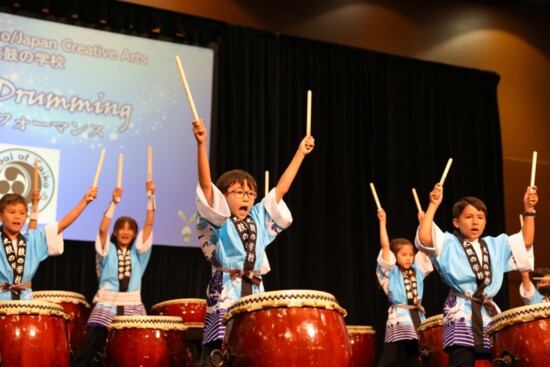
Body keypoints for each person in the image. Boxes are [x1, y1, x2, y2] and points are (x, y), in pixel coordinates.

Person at [192, 118, 315, 367]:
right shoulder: (220, 219)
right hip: (227, 288)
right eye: (239, 191)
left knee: (253, 350)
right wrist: (201, 144)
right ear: (224, 197)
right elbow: (206, 186)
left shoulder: (258, 217)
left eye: (250, 192)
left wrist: (300, 154)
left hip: (255, 290)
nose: (246, 196)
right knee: (220, 352)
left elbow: (281, 189)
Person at [416, 183, 538, 367]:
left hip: (488, 313)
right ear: (456, 222)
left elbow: (526, 240)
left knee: (499, 361)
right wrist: (433, 205)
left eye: (480, 217)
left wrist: (529, 210)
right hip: (460, 312)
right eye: (469, 217)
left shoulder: (496, 244)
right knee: (462, 362)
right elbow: (425, 237)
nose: (475, 222)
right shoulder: (448, 242)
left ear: (485, 222)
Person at [70, 181, 156, 367]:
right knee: (89, 347)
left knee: (137, 347)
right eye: (121, 228)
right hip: (106, 304)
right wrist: (113, 203)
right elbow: (102, 229)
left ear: (134, 234)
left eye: (130, 228)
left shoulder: (139, 253)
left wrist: (150, 197)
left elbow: (148, 224)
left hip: (132, 304)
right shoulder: (106, 251)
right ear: (115, 233)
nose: (125, 231)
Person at [0, 187, 97, 300]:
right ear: (1, 216)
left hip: (25, 302)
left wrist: (84, 201)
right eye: (12, 212)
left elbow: (62, 225)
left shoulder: (32, 240)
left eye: (22, 213)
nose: (17, 216)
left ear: (26, 216)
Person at [376, 208, 432, 367]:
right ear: (395, 256)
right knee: (388, 357)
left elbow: (425, 246)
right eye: (404, 254)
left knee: (417, 358)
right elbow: (385, 246)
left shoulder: (417, 270)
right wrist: (382, 222)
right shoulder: (390, 272)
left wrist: (423, 223)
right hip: (400, 319)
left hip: (417, 317)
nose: (409, 258)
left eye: (410, 254)